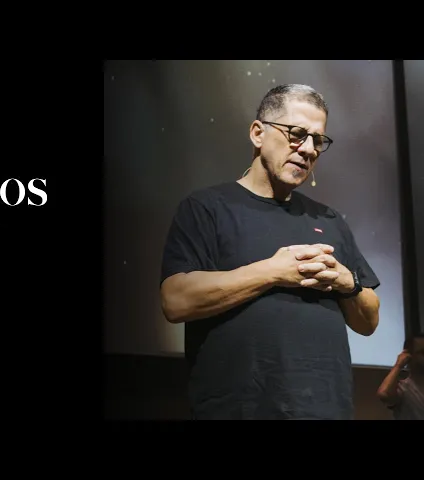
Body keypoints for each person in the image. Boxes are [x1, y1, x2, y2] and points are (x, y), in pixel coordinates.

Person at [159, 84, 381, 420]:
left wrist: (346, 281)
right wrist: (274, 271)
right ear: (258, 133)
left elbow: (369, 322)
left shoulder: (329, 220)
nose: (309, 149)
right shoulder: (207, 208)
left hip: (327, 410)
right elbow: (175, 301)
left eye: (318, 140)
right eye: (297, 134)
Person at [376, 333, 424, 420]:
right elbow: (384, 394)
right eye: (423, 352)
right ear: (408, 356)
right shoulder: (403, 388)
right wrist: (398, 365)